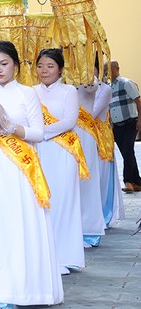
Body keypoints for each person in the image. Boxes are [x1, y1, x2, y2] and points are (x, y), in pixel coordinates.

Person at [0, 41, 63, 308]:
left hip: (23, 167)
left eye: (3, 63)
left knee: (24, 223)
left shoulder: (27, 93)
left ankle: (28, 290)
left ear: (15, 64)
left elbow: (39, 132)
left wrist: (12, 128)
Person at [33, 49, 85, 274]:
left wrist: (41, 132)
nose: (44, 70)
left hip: (62, 151)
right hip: (38, 152)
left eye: (50, 66)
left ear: (61, 69)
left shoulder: (68, 91)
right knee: (42, 202)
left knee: (63, 201)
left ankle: (63, 256)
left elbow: (69, 121)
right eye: (41, 66)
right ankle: (44, 256)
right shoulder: (31, 91)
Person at [75, 76, 106, 247]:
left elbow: (90, 87)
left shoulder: (89, 79)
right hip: (64, 136)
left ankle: (88, 229)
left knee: (86, 183)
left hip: (84, 134)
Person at [95, 66, 124, 226]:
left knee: (102, 175)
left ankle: (104, 213)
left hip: (101, 136)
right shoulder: (74, 87)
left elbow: (92, 113)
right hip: (83, 135)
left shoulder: (104, 89)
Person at [109, 60, 141, 192]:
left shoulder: (126, 83)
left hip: (130, 123)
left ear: (117, 68)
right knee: (127, 153)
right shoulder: (107, 87)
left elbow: (138, 102)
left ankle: (128, 181)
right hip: (117, 126)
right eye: (105, 70)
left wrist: (140, 120)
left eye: (110, 69)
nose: (108, 72)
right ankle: (137, 182)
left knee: (128, 150)